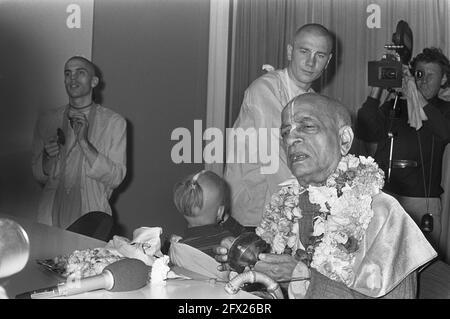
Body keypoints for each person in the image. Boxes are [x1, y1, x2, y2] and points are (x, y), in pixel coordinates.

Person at [215, 93, 436, 299]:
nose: (292, 139)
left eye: (308, 126)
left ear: (344, 140)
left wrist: (303, 278)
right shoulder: (285, 205)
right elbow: (272, 288)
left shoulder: (383, 213)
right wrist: (245, 263)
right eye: (285, 132)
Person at [224, 23, 334, 228]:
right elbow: (279, 152)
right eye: (304, 51)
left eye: (320, 55)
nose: (310, 62)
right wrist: (316, 204)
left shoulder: (316, 103)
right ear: (290, 51)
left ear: (328, 62)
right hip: (253, 213)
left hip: (286, 214)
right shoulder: (265, 89)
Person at [357, 47, 450, 250]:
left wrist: (416, 97)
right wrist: (377, 88)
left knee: (424, 265)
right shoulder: (395, 105)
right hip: (385, 197)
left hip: (421, 201)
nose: (422, 80)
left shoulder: (443, 109)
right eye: (418, 74)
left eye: (429, 75)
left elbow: (444, 131)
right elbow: (365, 130)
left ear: (443, 80)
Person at [31, 56, 127, 229]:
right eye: (68, 73)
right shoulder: (47, 120)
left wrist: (84, 142)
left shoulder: (114, 122)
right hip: (49, 219)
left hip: (92, 219)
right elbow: (38, 175)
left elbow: (115, 178)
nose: (72, 78)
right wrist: (47, 157)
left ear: (94, 81)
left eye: (80, 73)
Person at [169, 170, 245, 257]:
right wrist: (229, 221)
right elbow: (250, 239)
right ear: (220, 212)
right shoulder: (229, 242)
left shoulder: (181, 249)